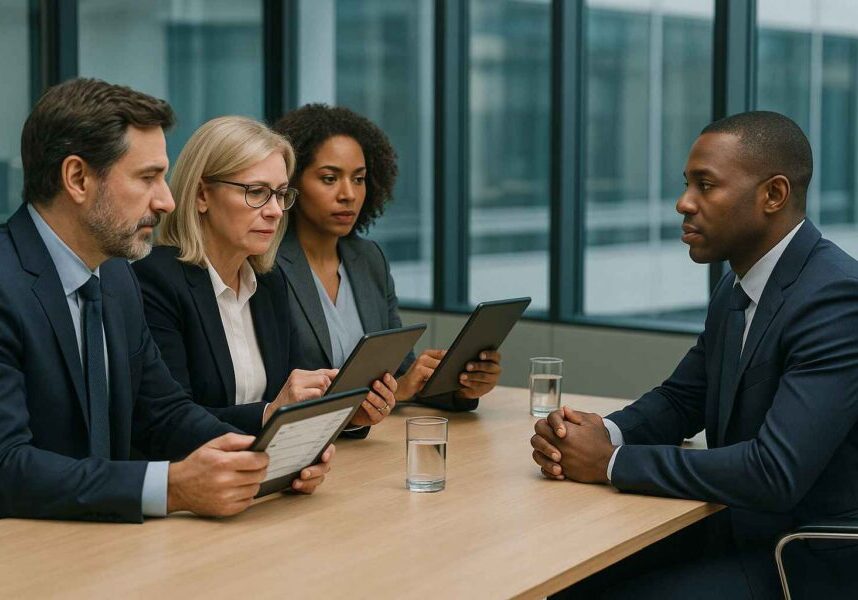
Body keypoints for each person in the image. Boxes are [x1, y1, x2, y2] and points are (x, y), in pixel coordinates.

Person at [531, 111, 858, 598]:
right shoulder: (737, 286)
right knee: (559, 576)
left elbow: (774, 472)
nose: (684, 203)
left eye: (706, 185)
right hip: (733, 530)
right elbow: (682, 399)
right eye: (687, 184)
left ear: (774, 195)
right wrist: (594, 434)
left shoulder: (834, 299)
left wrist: (610, 462)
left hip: (800, 559)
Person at [0, 78, 333, 522]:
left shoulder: (116, 276)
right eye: (147, 177)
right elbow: (7, 465)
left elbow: (161, 413)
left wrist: (265, 458)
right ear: (77, 178)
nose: (167, 200)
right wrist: (170, 488)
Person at [132, 116, 396, 436]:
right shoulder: (154, 280)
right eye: (256, 192)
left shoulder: (269, 282)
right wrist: (271, 414)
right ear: (202, 195)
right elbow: (169, 422)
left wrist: (345, 417)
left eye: (281, 194)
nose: (274, 210)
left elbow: (294, 400)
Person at [274, 104, 501, 411]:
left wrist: (459, 387)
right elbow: (272, 391)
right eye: (329, 178)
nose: (348, 194)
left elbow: (400, 373)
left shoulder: (369, 259)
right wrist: (398, 390)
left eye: (359, 179)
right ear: (292, 182)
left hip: (375, 446)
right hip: (306, 447)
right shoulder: (266, 263)